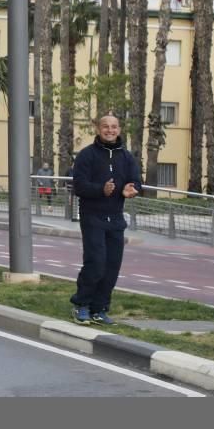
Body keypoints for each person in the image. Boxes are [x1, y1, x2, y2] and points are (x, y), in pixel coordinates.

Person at [70, 114, 140, 326]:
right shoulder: (86, 155)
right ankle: (81, 304)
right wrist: (101, 190)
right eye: (105, 127)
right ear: (98, 129)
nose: (110, 130)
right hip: (93, 217)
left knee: (112, 267)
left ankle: (99, 309)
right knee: (96, 263)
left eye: (114, 127)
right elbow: (79, 186)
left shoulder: (127, 157)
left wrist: (132, 189)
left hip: (116, 219)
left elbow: (136, 181)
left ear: (119, 129)